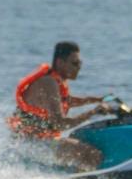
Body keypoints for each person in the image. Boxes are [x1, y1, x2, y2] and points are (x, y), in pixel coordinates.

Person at [9, 40, 111, 169]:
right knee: (91, 154)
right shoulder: (48, 83)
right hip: (29, 145)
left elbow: (66, 100)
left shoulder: (55, 81)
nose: (78, 67)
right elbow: (60, 124)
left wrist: (96, 100)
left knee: (86, 143)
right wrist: (93, 112)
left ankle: (81, 177)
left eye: (80, 63)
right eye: (74, 63)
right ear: (60, 62)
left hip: (38, 141)